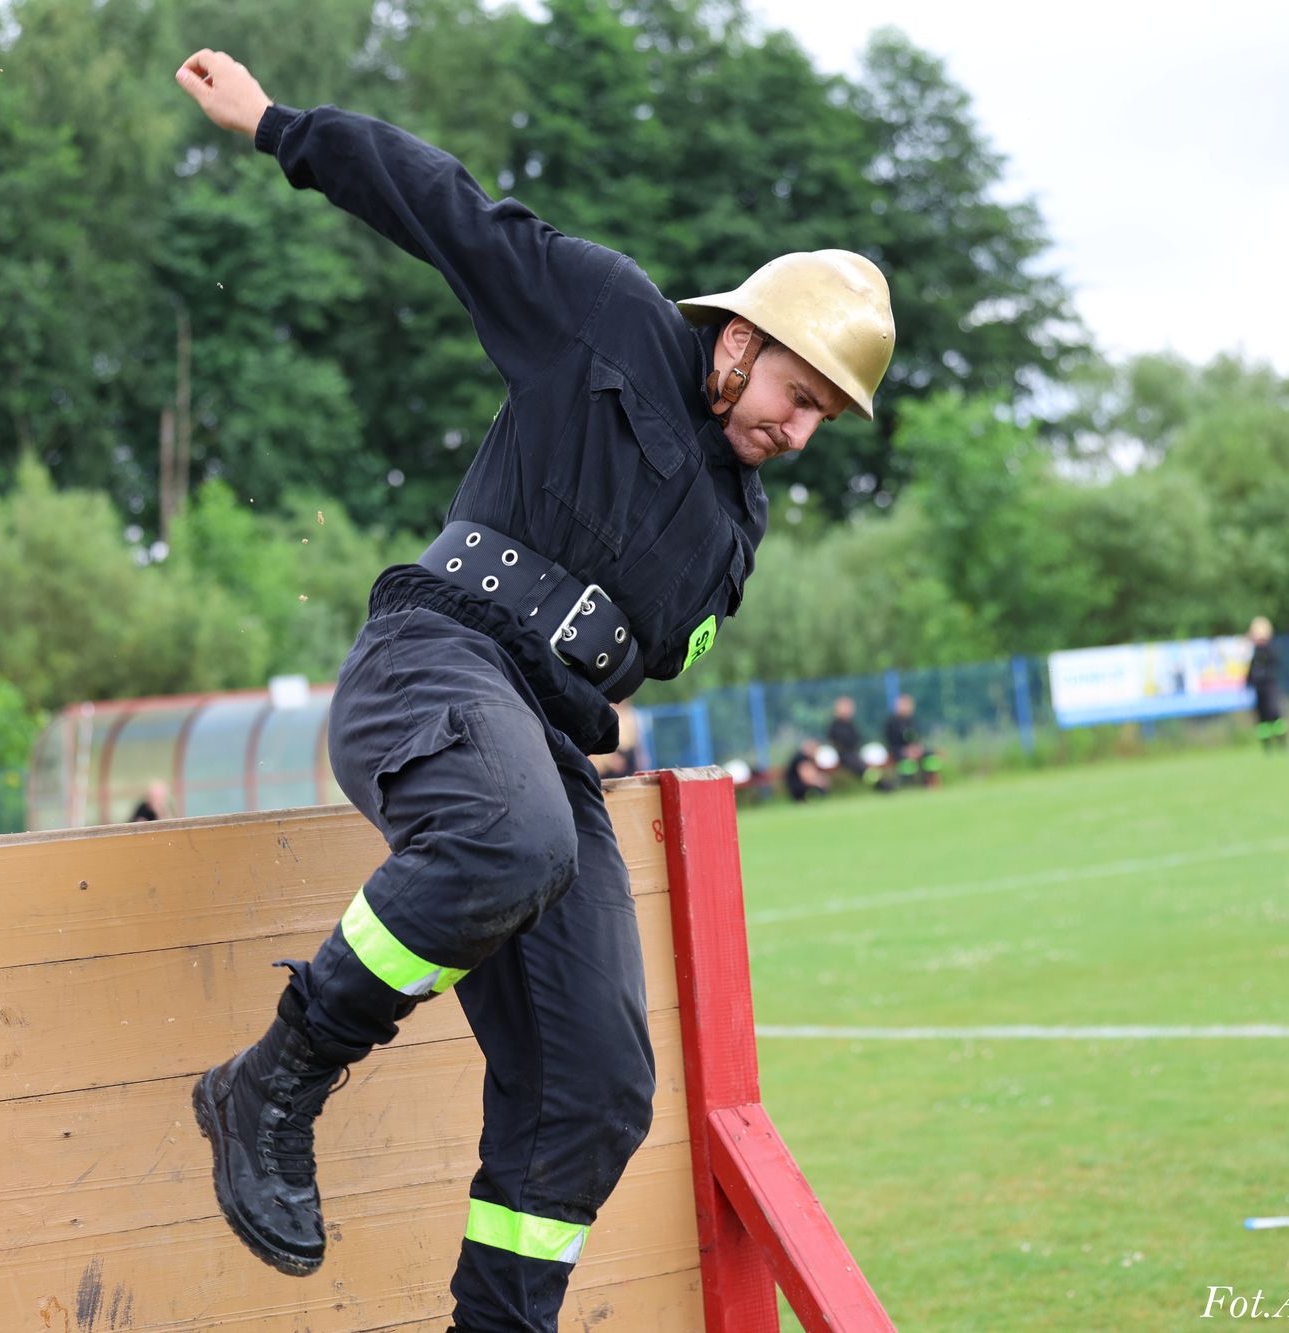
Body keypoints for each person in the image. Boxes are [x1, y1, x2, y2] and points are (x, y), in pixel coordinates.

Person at [173, 49, 896, 1333]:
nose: (797, 430)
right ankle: (271, 1082)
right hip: (434, 656)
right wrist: (279, 126)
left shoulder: (738, 521)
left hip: (544, 737)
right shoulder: (606, 314)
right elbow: (441, 206)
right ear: (738, 340)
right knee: (509, 836)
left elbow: (647, 655)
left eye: (823, 421)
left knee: (599, 1084)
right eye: (795, 396)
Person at [1247, 616, 1288, 753]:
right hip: (1258, 688)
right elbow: (1250, 672)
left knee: (1273, 713)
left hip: (1269, 686)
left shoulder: (1270, 650)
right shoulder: (1252, 652)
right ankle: (1267, 748)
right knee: (1261, 719)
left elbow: (1275, 661)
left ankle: (1282, 744)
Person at [882, 694, 940, 788]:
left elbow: (916, 738)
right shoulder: (891, 723)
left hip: (913, 749)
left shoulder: (912, 721)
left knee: (930, 756)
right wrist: (905, 750)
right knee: (907, 762)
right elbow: (890, 742)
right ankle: (908, 785)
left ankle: (930, 782)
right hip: (897, 750)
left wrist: (916, 748)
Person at [783, 738, 831, 803]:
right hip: (798, 786)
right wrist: (818, 781)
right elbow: (805, 776)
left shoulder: (807, 758)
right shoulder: (801, 758)